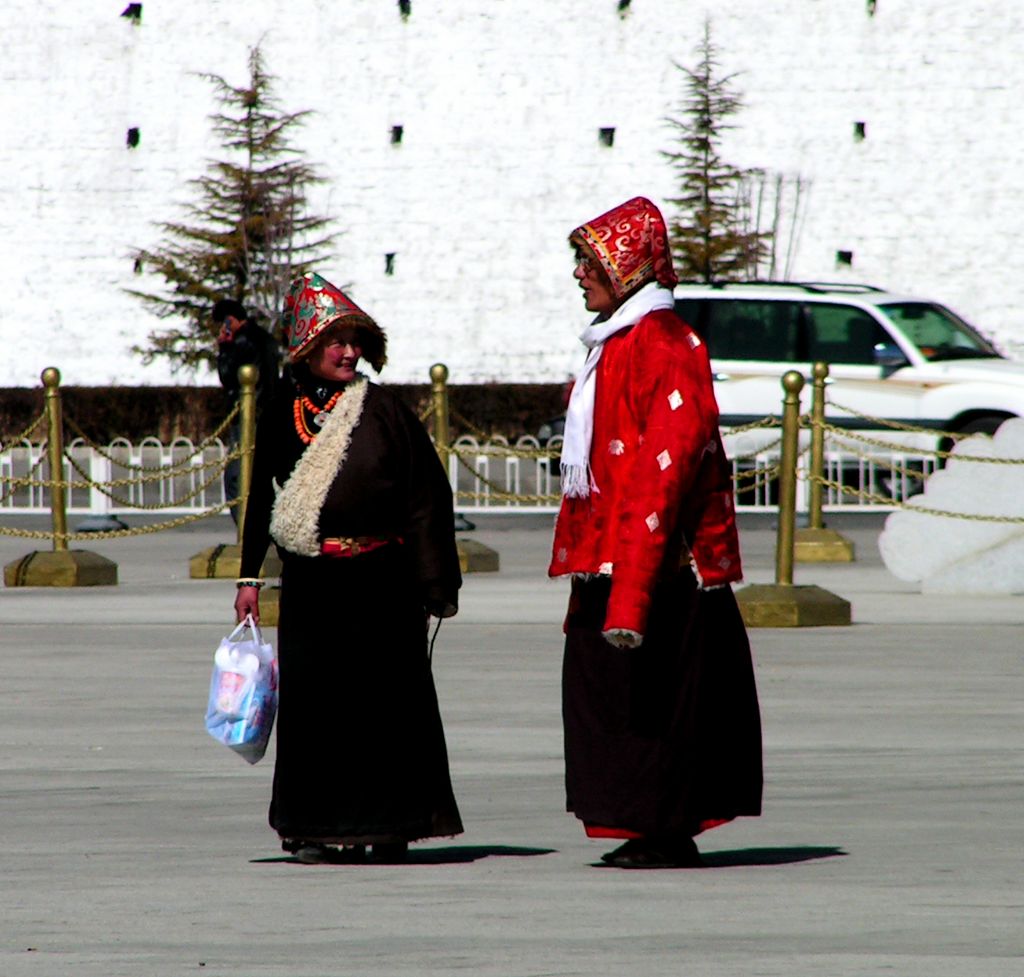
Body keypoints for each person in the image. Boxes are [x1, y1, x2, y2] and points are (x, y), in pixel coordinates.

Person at [549, 196, 763, 869]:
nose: (579, 274)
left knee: (657, 703)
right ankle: (642, 821)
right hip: (612, 562)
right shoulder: (613, 345)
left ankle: (665, 825)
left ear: (626, 266)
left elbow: (660, 478)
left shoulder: (667, 347)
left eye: (589, 262)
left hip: (659, 573)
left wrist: (632, 594)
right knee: (607, 701)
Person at [234, 272, 463, 865]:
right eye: (336, 341)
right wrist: (249, 577)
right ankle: (311, 824)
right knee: (317, 711)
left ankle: (388, 826)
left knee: (384, 707)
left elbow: (426, 497)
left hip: (382, 580)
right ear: (308, 344)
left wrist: (435, 581)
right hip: (314, 583)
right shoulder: (284, 408)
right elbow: (263, 495)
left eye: (357, 341)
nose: (349, 352)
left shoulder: (384, 409)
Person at [212, 299, 282, 524]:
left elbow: (228, 376)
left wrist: (224, 348)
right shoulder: (265, 338)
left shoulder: (242, 342)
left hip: (246, 417)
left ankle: (247, 528)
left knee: (236, 477)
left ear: (230, 320)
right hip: (269, 415)